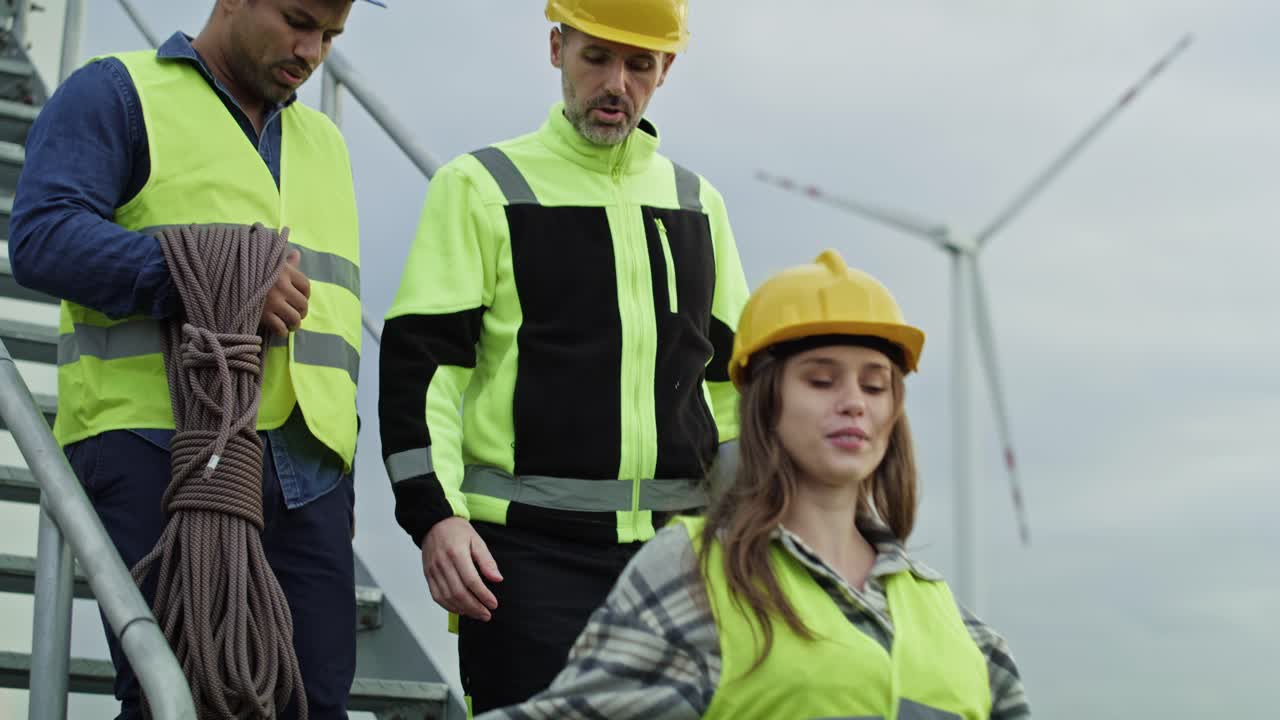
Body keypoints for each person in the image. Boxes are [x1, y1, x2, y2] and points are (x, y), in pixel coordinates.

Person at [7, 1, 384, 716]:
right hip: (159, 449)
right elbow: (42, 238)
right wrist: (213, 273)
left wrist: (342, 480)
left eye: (332, 35)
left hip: (309, 479)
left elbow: (331, 332)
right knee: (177, 696)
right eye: (299, 20)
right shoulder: (117, 93)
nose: (313, 51)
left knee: (314, 704)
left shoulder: (326, 143)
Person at [378, 0, 749, 711]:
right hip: (524, 563)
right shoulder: (480, 186)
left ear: (665, 69)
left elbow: (735, 390)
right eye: (596, 58)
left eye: (640, 64)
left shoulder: (700, 205)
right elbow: (422, 368)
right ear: (556, 49)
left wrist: (745, 530)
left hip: (679, 564)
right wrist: (436, 516)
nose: (617, 83)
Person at [477, 249, 1032, 719]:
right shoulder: (696, 574)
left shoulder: (950, 620)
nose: (853, 403)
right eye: (821, 379)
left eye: (875, 384)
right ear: (766, 403)